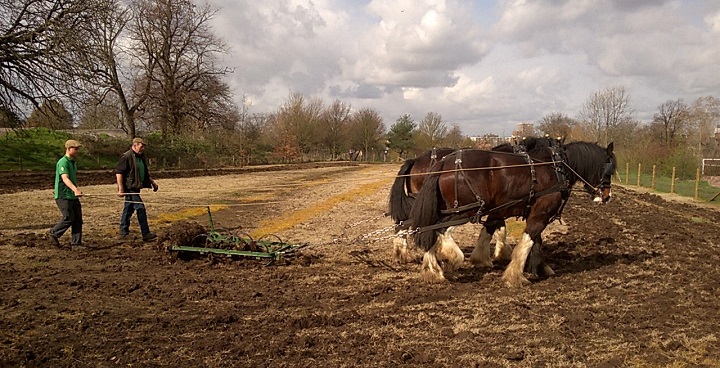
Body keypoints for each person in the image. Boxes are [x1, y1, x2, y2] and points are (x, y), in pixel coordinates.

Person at [115, 137, 158, 241]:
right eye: (141, 146)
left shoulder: (140, 157)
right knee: (140, 208)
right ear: (135, 145)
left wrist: (152, 182)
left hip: (136, 187)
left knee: (128, 209)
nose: (143, 148)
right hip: (130, 188)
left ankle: (123, 232)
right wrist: (121, 189)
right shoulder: (126, 156)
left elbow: (144, 172)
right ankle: (146, 233)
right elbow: (119, 173)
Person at [48, 139, 84, 248]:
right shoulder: (63, 162)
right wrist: (75, 189)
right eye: (76, 149)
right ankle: (53, 233)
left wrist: (75, 191)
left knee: (78, 219)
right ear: (69, 149)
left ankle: (76, 244)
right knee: (68, 218)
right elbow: (65, 178)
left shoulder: (73, 162)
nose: (77, 151)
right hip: (63, 195)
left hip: (72, 195)